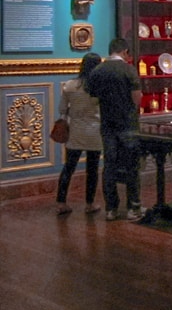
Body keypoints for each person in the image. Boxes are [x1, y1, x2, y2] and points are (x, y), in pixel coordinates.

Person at [87, 38, 143, 221]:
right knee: (131, 166)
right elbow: (136, 98)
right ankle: (133, 207)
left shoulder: (98, 71)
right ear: (125, 51)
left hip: (107, 124)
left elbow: (93, 96)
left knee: (109, 166)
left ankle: (111, 208)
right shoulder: (128, 70)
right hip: (127, 124)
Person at [55, 52, 104, 215]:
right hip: (94, 131)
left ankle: (61, 202)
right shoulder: (100, 87)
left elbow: (62, 109)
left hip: (76, 130)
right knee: (92, 169)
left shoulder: (70, 85)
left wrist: (73, 110)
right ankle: (89, 204)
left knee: (69, 167)